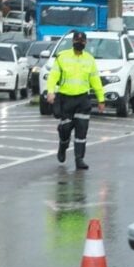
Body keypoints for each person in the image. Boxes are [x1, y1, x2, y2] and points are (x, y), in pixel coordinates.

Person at [46, 31, 105, 170]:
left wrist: (101, 99)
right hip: (65, 99)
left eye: (82, 41)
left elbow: (95, 80)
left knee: (82, 129)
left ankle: (79, 159)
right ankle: (63, 145)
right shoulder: (62, 57)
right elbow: (53, 76)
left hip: (82, 99)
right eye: (77, 41)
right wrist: (50, 91)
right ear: (72, 42)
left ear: (86, 43)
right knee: (65, 128)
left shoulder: (89, 59)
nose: (80, 43)